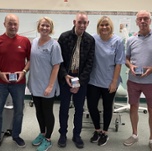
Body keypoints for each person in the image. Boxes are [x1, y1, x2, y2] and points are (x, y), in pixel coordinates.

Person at [122, 10, 152, 151]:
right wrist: (131, 66)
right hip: (133, 80)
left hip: (151, 81)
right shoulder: (131, 40)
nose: (142, 21)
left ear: (150, 21)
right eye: (140, 19)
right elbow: (126, 59)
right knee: (133, 106)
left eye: (145, 18)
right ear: (136, 22)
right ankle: (134, 134)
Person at [0, 14, 31, 151]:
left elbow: (30, 60)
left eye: (15, 24)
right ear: (4, 24)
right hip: (0, 82)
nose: (13, 26)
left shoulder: (25, 41)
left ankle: (16, 135)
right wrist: (0, 73)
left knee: (19, 111)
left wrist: (23, 72)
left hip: (19, 83)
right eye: (10, 23)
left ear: (18, 25)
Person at [57, 11, 95, 149]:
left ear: (88, 23)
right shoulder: (64, 37)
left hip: (81, 80)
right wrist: (65, 75)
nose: (82, 25)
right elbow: (58, 61)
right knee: (64, 109)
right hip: (65, 78)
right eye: (80, 22)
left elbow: (90, 63)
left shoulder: (90, 40)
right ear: (74, 22)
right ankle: (62, 134)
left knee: (79, 109)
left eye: (85, 22)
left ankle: (76, 135)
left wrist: (79, 82)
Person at [86, 16, 125, 146]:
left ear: (111, 26)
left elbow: (119, 63)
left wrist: (114, 82)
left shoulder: (117, 41)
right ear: (98, 27)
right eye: (101, 25)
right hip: (93, 80)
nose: (104, 27)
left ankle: (105, 132)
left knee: (108, 107)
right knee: (92, 106)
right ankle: (97, 130)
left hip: (109, 80)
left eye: (106, 25)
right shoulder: (93, 39)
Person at [28, 17, 63, 151]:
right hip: (35, 83)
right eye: (43, 25)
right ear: (39, 27)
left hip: (47, 85)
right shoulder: (35, 42)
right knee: (38, 111)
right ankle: (42, 133)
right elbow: (32, 61)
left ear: (51, 28)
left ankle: (48, 139)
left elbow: (56, 66)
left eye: (47, 26)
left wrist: (50, 86)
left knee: (47, 112)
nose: (44, 28)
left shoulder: (54, 45)